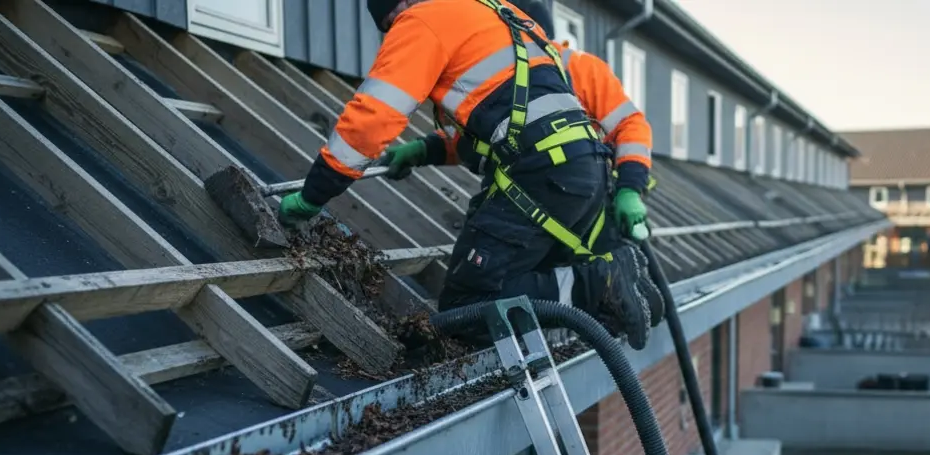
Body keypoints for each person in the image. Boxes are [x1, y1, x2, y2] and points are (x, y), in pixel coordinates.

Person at [276, 0, 656, 348]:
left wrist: (315, 193)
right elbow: (511, 121)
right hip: (571, 171)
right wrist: (425, 149)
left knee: (468, 306)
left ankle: (601, 285)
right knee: (515, 279)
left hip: (544, 174)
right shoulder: (495, 13)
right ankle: (611, 293)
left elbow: (372, 119)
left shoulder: (423, 20)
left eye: (392, 20)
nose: (394, 30)